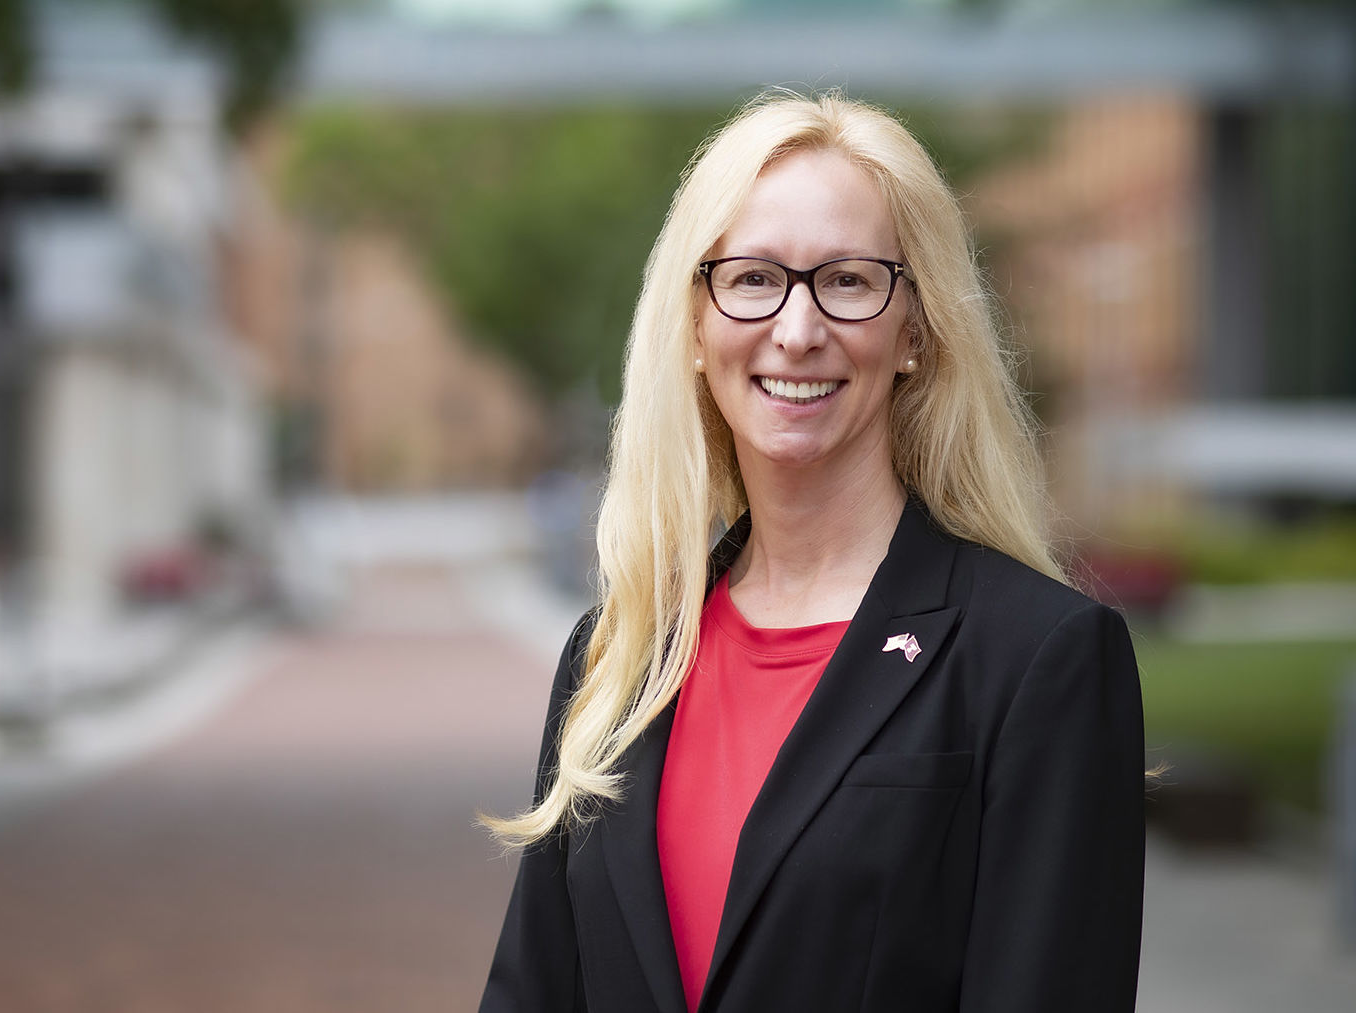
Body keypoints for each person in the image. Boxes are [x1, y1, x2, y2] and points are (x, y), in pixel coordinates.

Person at [477, 92, 1144, 1013]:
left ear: (914, 328)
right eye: (752, 278)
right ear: (697, 325)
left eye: (848, 280)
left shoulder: (1038, 659)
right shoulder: (618, 656)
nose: (797, 329)